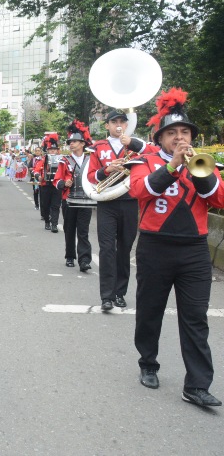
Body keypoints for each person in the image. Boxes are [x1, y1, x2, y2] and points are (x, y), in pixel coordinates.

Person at [129, 88, 224, 407]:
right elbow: (141, 191)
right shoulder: (146, 160)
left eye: (185, 132)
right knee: (149, 310)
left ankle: (197, 385)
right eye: (173, 133)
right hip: (155, 248)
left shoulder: (202, 163)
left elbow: (219, 198)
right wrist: (171, 166)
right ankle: (148, 363)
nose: (180, 138)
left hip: (195, 252)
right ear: (161, 137)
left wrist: (197, 170)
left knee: (196, 317)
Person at [86, 110, 138, 311]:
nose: (118, 125)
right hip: (107, 202)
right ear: (107, 125)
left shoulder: (136, 146)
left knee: (125, 249)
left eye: (122, 122)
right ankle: (106, 296)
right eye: (114, 122)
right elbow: (91, 176)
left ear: (127, 125)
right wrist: (106, 170)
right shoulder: (98, 147)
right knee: (107, 249)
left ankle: (120, 293)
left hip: (129, 201)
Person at [53, 121, 93, 271]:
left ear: (82, 143)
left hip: (86, 200)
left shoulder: (91, 159)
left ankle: (84, 260)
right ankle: (70, 256)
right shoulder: (65, 161)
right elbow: (56, 181)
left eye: (74, 141)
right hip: (69, 200)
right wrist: (64, 183)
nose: (71, 144)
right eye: (70, 142)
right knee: (69, 229)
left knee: (83, 231)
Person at [35, 135, 61, 231]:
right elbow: (36, 170)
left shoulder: (62, 160)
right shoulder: (43, 160)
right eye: (51, 149)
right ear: (48, 150)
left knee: (56, 205)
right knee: (45, 205)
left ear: (57, 150)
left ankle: (54, 224)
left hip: (56, 185)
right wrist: (39, 177)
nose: (53, 151)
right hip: (45, 185)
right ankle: (47, 221)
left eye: (54, 149)